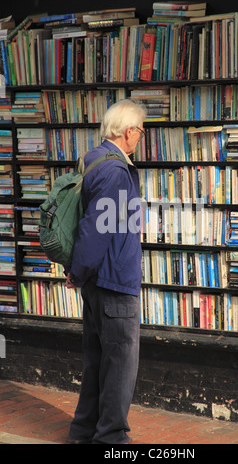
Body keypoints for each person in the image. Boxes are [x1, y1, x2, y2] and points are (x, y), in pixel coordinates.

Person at [65, 99, 147, 445]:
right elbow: (97, 229)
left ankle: (84, 432)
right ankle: (110, 439)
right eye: (140, 132)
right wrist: (78, 270)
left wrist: (81, 273)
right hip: (114, 282)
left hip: (97, 283)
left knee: (97, 362)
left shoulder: (93, 159)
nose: (140, 138)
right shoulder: (115, 172)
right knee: (119, 368)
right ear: (129, 132)